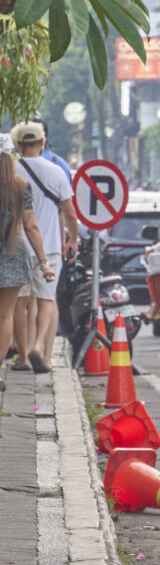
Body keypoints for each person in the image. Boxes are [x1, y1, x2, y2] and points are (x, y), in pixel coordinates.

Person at [10, 121, 78, 373]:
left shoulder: (10, 171)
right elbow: (69, 212)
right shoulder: (57, 172)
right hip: (48, 247)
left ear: (18, 145)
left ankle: (24, 357)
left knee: (19, 302)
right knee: (46, 299)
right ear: (42, 143)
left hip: (16, 246)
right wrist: (73, 239)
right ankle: (39, 346)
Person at [0, 137, 55, 390]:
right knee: (5, 315)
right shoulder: (20, 186)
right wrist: (44, 262)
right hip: (11, 253)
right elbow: (31, 227)